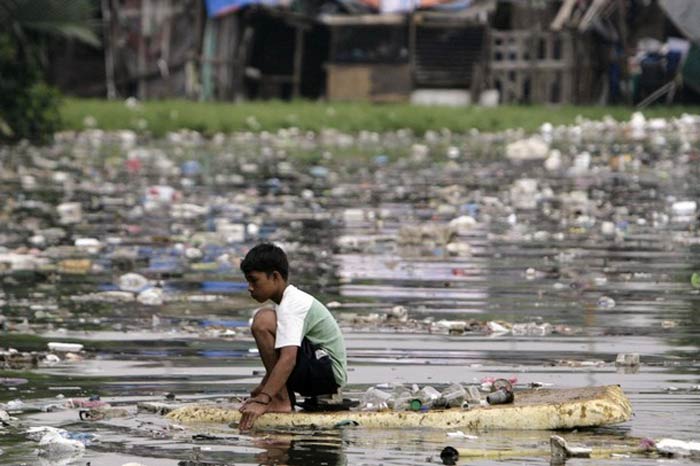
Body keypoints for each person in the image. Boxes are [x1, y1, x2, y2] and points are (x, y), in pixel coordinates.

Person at [238, 242, 347, 430]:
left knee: (263, 321)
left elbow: (288, 358)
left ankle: (281, 401)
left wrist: (265, 399)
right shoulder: (286, 304)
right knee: (266, 318)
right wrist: (263, 387)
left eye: (254, 280)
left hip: (328, 373)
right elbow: (285, 354)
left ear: (275, 277)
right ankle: (280, 396)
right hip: (320, 369)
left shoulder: (292, 305)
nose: (250, 287)